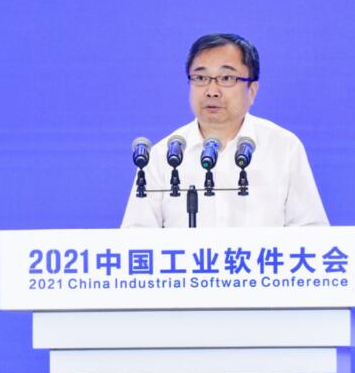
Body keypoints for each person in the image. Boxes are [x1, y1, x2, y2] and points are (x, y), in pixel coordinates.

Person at [121, 33, 328, 228]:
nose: (211, 91)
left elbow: (311, 232)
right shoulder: (163, 156)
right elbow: (135, 238)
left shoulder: (283, 147)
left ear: (252, 90)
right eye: (200, 78)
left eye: (227, 78)